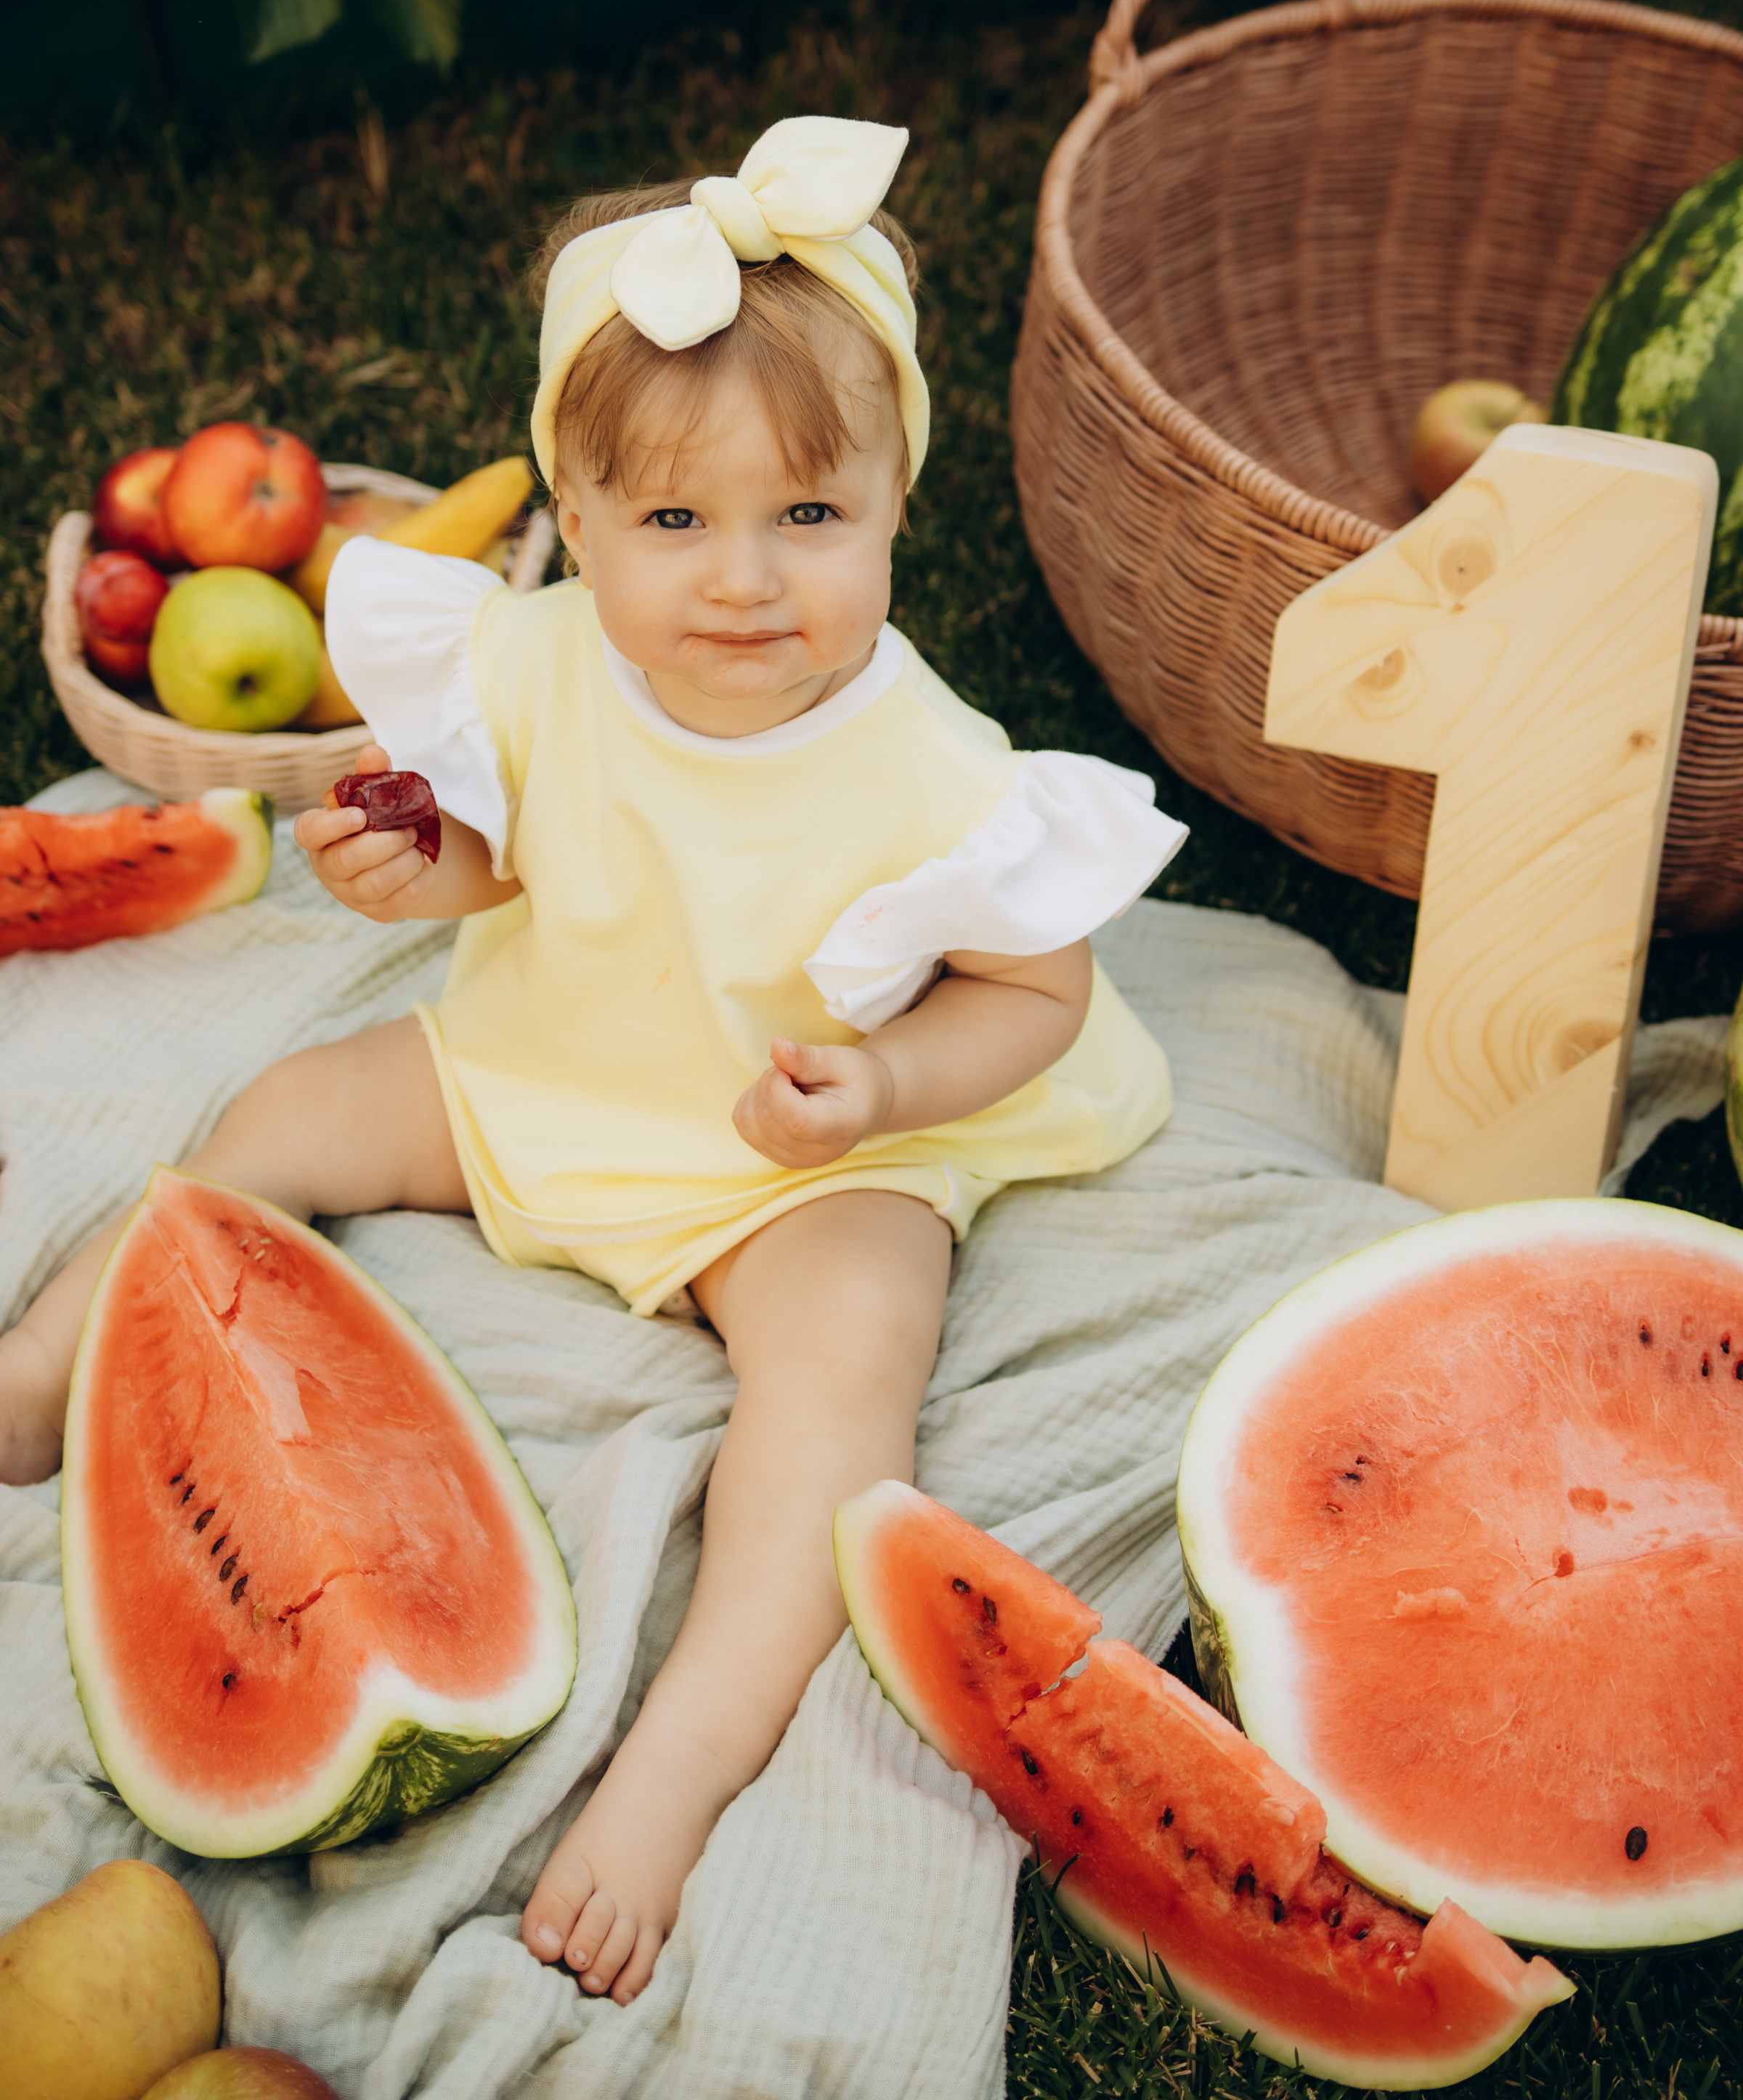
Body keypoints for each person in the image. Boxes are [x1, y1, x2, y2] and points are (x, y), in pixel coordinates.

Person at [0, 116, 1184, 2004]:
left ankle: (679, 1765)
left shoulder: (939, 772)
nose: (743, 583)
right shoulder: (541, 659)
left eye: (812, 518)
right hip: (550, 1057)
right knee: (286, 1112)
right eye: (675, 524)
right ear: (583, 505)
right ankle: (35, 1379)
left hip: (802, 1149)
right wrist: (423, 869)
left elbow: (1029, 997)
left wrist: (887, 1092)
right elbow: (512, 852)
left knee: (843, 1389)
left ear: (899, 501)